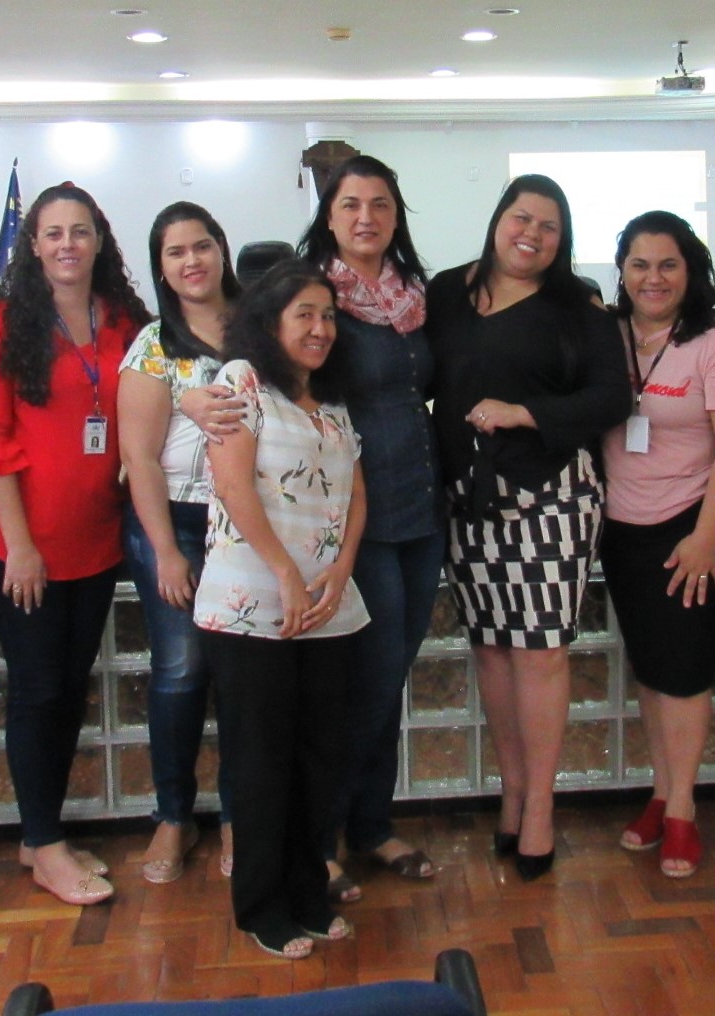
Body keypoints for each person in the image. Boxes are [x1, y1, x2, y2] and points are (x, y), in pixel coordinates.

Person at [426, 174, 632, 880]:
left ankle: (540, 806)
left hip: (549, 494)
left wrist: (527, 413)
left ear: (561, 238)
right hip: (467, 496)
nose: (532, 234)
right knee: (491, 650)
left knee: (540, 652)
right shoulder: (448, 293)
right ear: (496, 219)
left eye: (548, 226)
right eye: (521, 217)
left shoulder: (580, 309)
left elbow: (611, 396)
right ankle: (511, 794)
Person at [0, 183, 151, 906]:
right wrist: (20, 547)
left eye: (80, 231)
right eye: (52, 233)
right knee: (39, 691)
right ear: (32, 246)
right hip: (21, 545)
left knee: (68, 690)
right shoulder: (4, 321)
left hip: (96, 542)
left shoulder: (124, 318)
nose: (67, 244)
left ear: (99, 240)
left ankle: (38, 831)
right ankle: (44, 846)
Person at [193, 258, 369, 959]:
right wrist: (284, 576)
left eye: (327, 316)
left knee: (320, 757)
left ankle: (307, 892)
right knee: (261, 760)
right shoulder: (238, 383)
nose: (320, 328)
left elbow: (355, 494)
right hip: (250, 604)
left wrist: (341, 568)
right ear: (269, 322)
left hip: (329, 606)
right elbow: (234, 488)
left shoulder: (331, 402)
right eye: (304, 314)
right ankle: (262, 907)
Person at [296, 155, 444, 899]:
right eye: (350, 204)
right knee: (367, 679)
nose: (364, 217)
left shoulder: (415, 298)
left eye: (379, 204)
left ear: (395, 215)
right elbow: (268, 380)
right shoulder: (314, 297)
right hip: (356, 516)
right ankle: (320, 837)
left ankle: (371, 825)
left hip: (421, 511)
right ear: (328, 214)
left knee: (387, 683)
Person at [599, 211, 715, 879]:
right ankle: (660, 794)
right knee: (650, 669)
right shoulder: (608, 337)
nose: (652, 277)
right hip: (621, 528)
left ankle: (685, 810)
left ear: (689, 271)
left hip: (686, 525)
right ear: (622, 272)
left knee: (686, 672)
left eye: (667, 264)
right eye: (639, 264)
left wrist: (703, 539)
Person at [118, 201, 241, 885]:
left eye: (201, 245)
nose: (191, 261)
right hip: (176, 522)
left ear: (221, 249)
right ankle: (173, 815)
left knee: (242, 678)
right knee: (181, 669)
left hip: (251, 525)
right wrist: (165, 552)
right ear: (161, 267)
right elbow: (138, 458)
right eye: (174, 252)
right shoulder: (152, 345)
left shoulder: (259, 326)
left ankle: (237, 816)